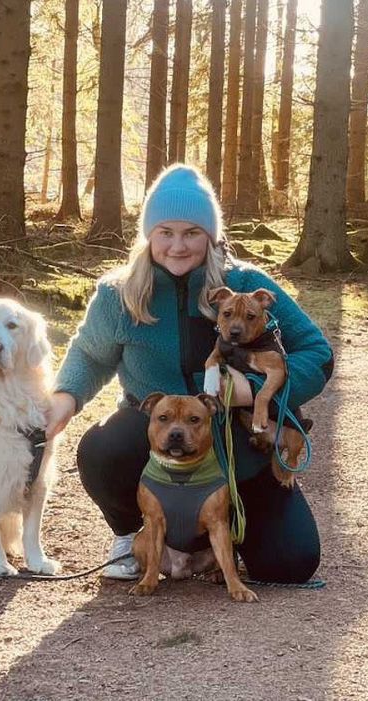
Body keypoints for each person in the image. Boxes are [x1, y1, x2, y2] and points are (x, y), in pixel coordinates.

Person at [44, 164, 334, 582]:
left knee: (290, 564)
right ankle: (134, 535)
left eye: (192, 232)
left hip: (238, 446)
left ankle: (219, 538)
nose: (177, 246)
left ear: (211, 235)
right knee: (102, 448)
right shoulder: (117, 293)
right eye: (165, 232)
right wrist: (65, 399)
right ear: (148, 234)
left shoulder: (245, 286)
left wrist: (252, 391)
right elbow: (90, 356)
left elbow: (318, 353)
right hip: (156, 442)